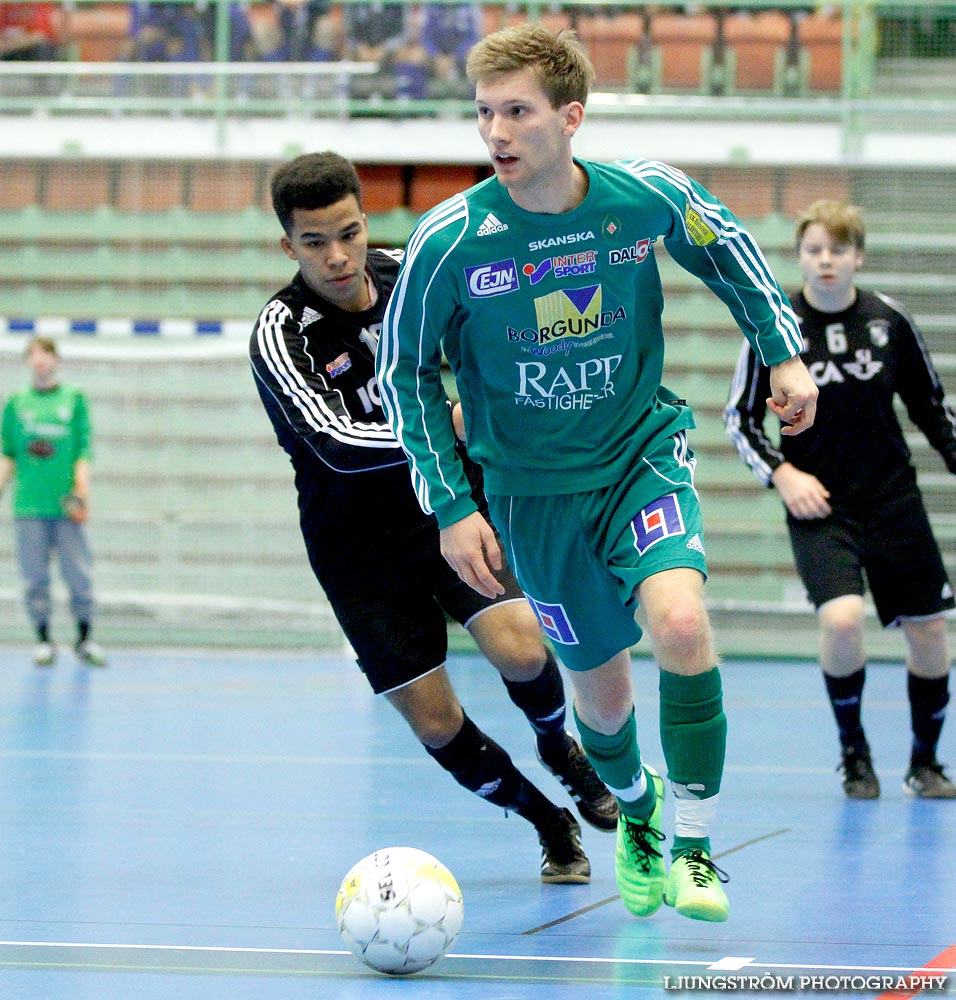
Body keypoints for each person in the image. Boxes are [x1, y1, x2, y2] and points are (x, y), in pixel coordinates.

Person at [376, 23, 818, 923]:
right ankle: (643, 810)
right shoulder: (447, 241)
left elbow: (726, 245)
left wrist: (783, 352)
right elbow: (406, 374)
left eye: (517, 111)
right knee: (603, 705)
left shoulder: (644, 198)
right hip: (531, 497)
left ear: (570, 118)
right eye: (483, 112)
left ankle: (693, 840)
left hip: (638, 458)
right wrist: (451, 504)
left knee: (684, 625)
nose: (496, 131)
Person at [249, 151, 619, 884]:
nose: (339, 255)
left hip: (442, 511)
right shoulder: (281, 332)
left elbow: (486, 327)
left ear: (365, 221)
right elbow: (334, 445)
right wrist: (443, 427)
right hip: (356, 555)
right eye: (315, 242)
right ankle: (548, 820)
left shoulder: (405, 269)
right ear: (288, 246)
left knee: (521, 648)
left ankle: (556, 743)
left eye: (349, 233)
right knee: (438, 723)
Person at [724, 199, 956, 801]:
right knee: (843, 619)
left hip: (892, 498)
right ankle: (855, 756)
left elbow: (931, 408)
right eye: (813, 250)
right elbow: (740, 421)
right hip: (820, 505)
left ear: (858, 257)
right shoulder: (775, 331)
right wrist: (783, 476)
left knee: (931, 630)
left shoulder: (889, 322)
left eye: (837, 250)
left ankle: (924, 763)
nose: (825, 261)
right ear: (800, 256)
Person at [0, 337, 106, 668]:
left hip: (65, 505)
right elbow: (8, 454)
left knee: (78, 575)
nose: (40, 361)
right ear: (28, 362)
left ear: (56, 360)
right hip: (29, 507)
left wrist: (81, 491)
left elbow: (83, 450)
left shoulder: (74, 400)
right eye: (33, 356)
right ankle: (44, 639)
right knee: (34, 578)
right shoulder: (17, 403)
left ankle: (85, 638)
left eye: (46, 355)